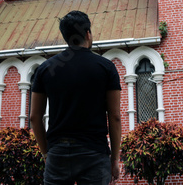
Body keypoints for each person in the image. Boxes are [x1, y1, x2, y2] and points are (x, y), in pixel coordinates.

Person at [30, 10, 122, 185]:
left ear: (66, 37)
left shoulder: (45, 69)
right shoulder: (106, 67)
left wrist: (46, 153)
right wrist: (115, 160)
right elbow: (115, 116)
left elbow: (35, 117)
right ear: (88, 34)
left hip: (58, 154)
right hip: (94, 153)